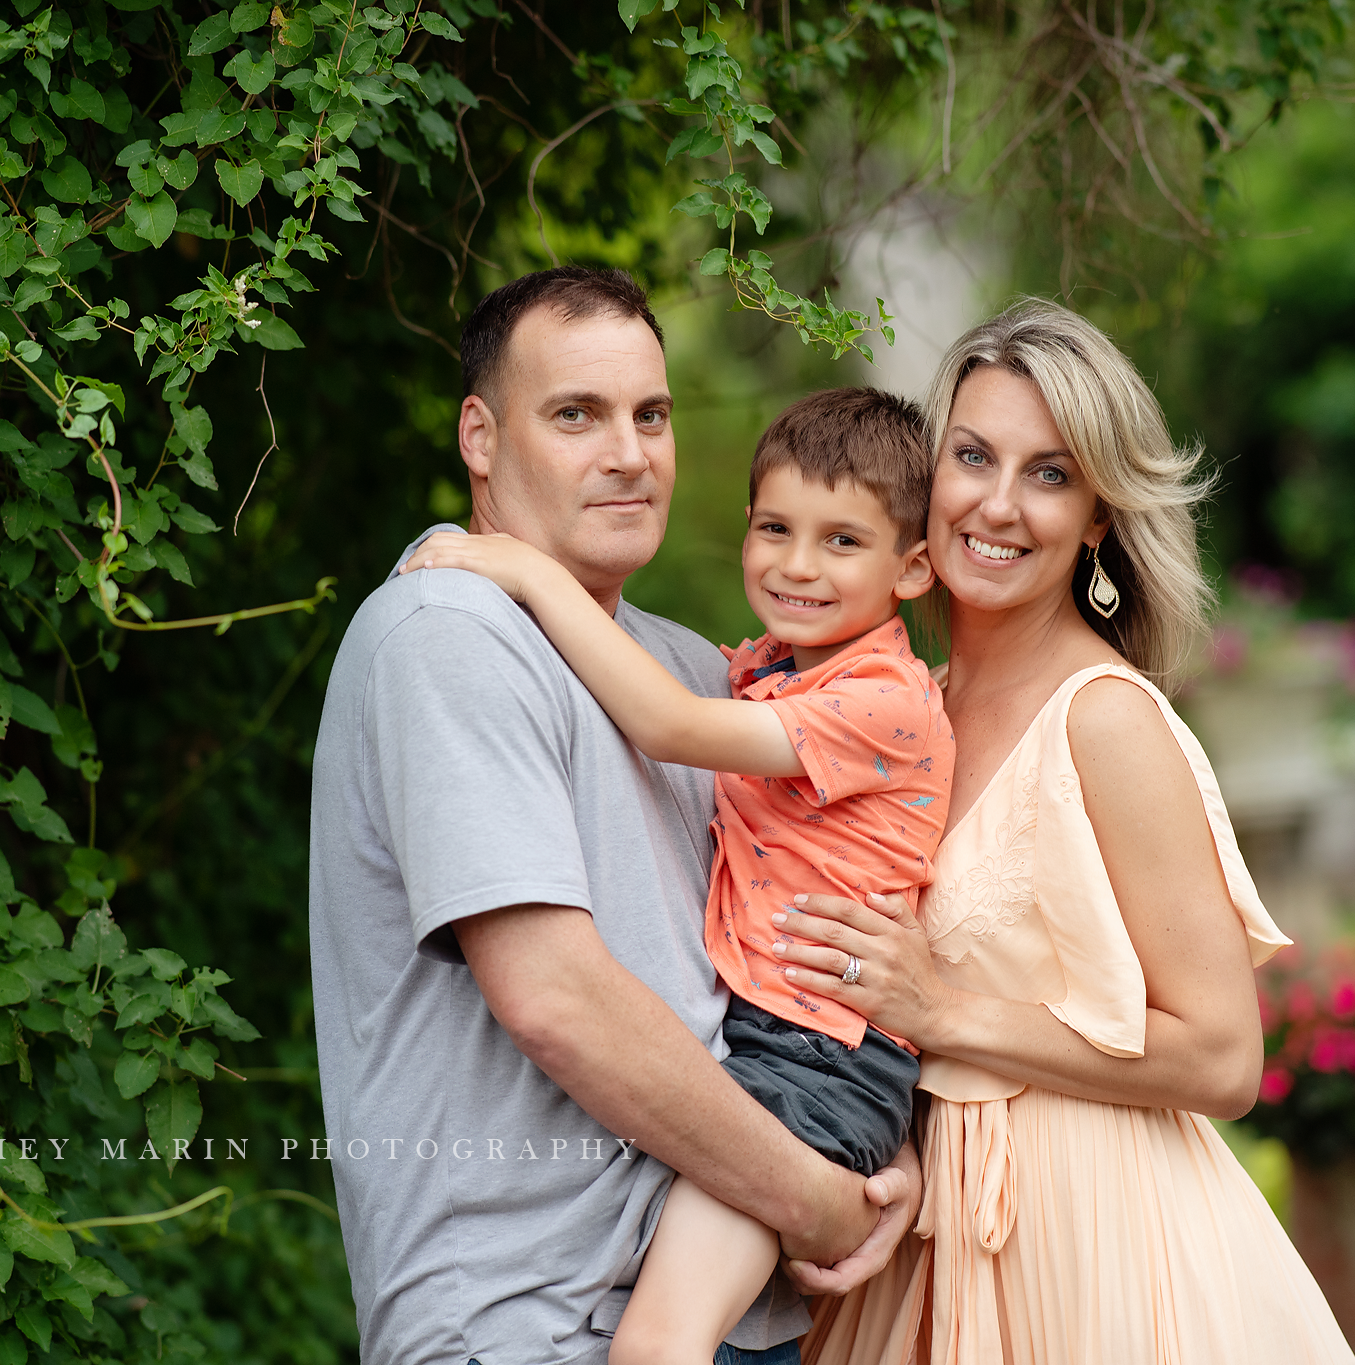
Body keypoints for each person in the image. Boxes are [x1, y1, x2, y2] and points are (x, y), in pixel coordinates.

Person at [307, 267, 918, 1365]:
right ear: (480, 437)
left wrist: (866, 1135)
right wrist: (817, 1198)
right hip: (525, 1320)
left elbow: (769, 974)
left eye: (652, 415)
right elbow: (557, 1000)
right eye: (576, 415)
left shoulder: (691, 671)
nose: (629, 454)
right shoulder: (449, 628)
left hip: (727, 1305)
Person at [777, 301, 1355, 1363]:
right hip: (925, 1237)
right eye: (972, 456)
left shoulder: (1106, 720)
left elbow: (1225, 1057)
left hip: (1099, 1253)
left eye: (1049, 474)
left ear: (1096, 517)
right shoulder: (910, 710)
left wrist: (942, 1010)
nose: (997, 505)